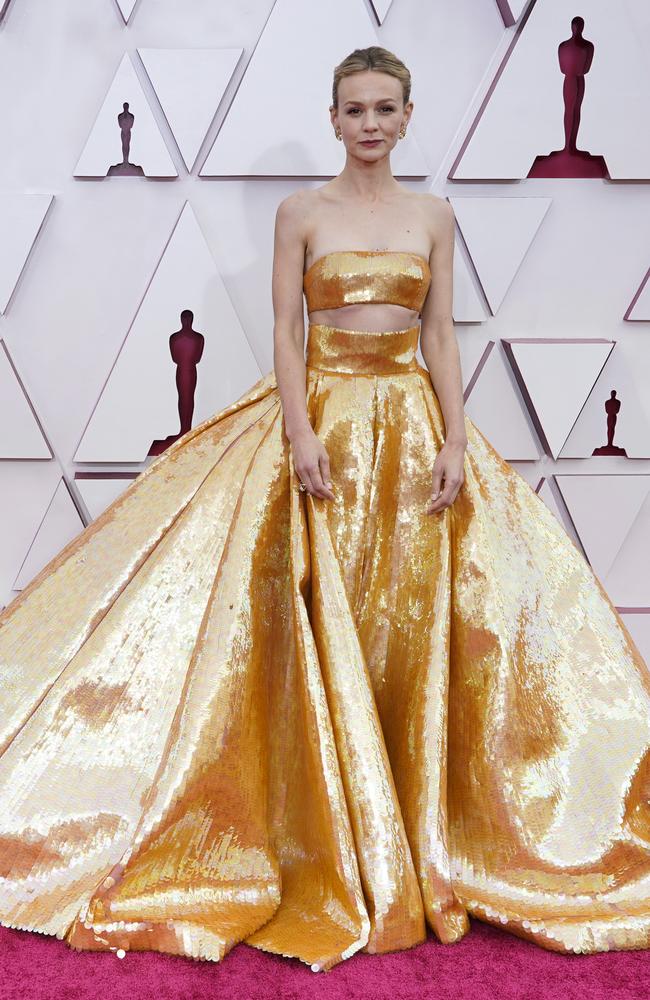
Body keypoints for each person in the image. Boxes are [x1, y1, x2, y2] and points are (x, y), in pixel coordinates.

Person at [1, 45, 650, 975]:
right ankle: (327, 830)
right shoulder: (300, 212)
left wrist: (459, 440)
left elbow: (440, 336)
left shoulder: (433, 214)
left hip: (414, 431)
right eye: (355, 110)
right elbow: (286, 331)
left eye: (386, 108)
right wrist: (301, 432)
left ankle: (412, 820)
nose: (371, 124)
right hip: (327, 431)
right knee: (316, 612)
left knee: (412, 617)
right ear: (335, 118)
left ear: (408, 115)